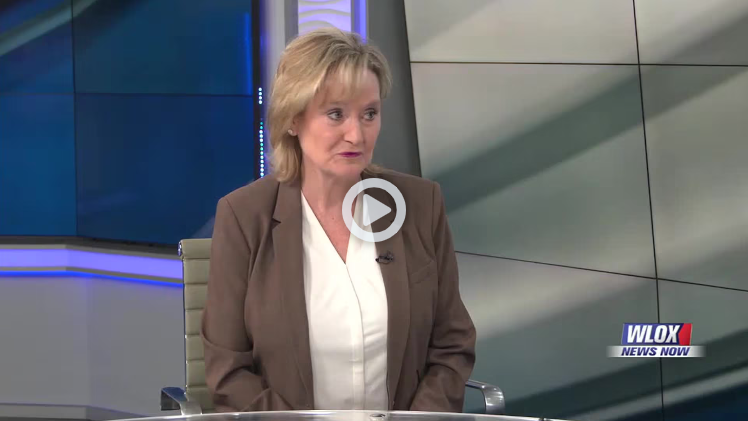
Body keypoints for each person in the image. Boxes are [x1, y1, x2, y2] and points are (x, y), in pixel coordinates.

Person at [201, 28, 476, 413]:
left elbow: (451, 347)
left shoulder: (419, 204)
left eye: (369, 114)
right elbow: (228, 372)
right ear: (293, 119)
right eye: (336, 114)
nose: (356, 135)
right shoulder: (244, 217)